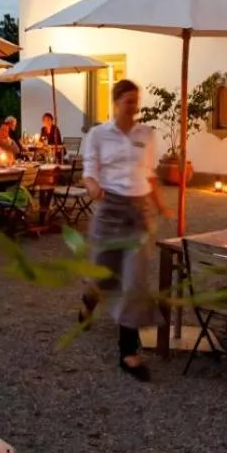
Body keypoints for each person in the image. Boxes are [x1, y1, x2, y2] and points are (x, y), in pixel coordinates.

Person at [80, 79, 168, 381]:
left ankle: (128, 352)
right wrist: (93, 187)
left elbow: (150, 175)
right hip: (110, 208)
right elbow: (89, 171)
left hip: (139, 212)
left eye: (136, 100)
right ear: (116, 102)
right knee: (103, 275)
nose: (134, 106)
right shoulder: (98, 134)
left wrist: (162, 205)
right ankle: (89, 300)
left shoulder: (147, 135)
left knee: (134, 280)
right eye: (129, 101)